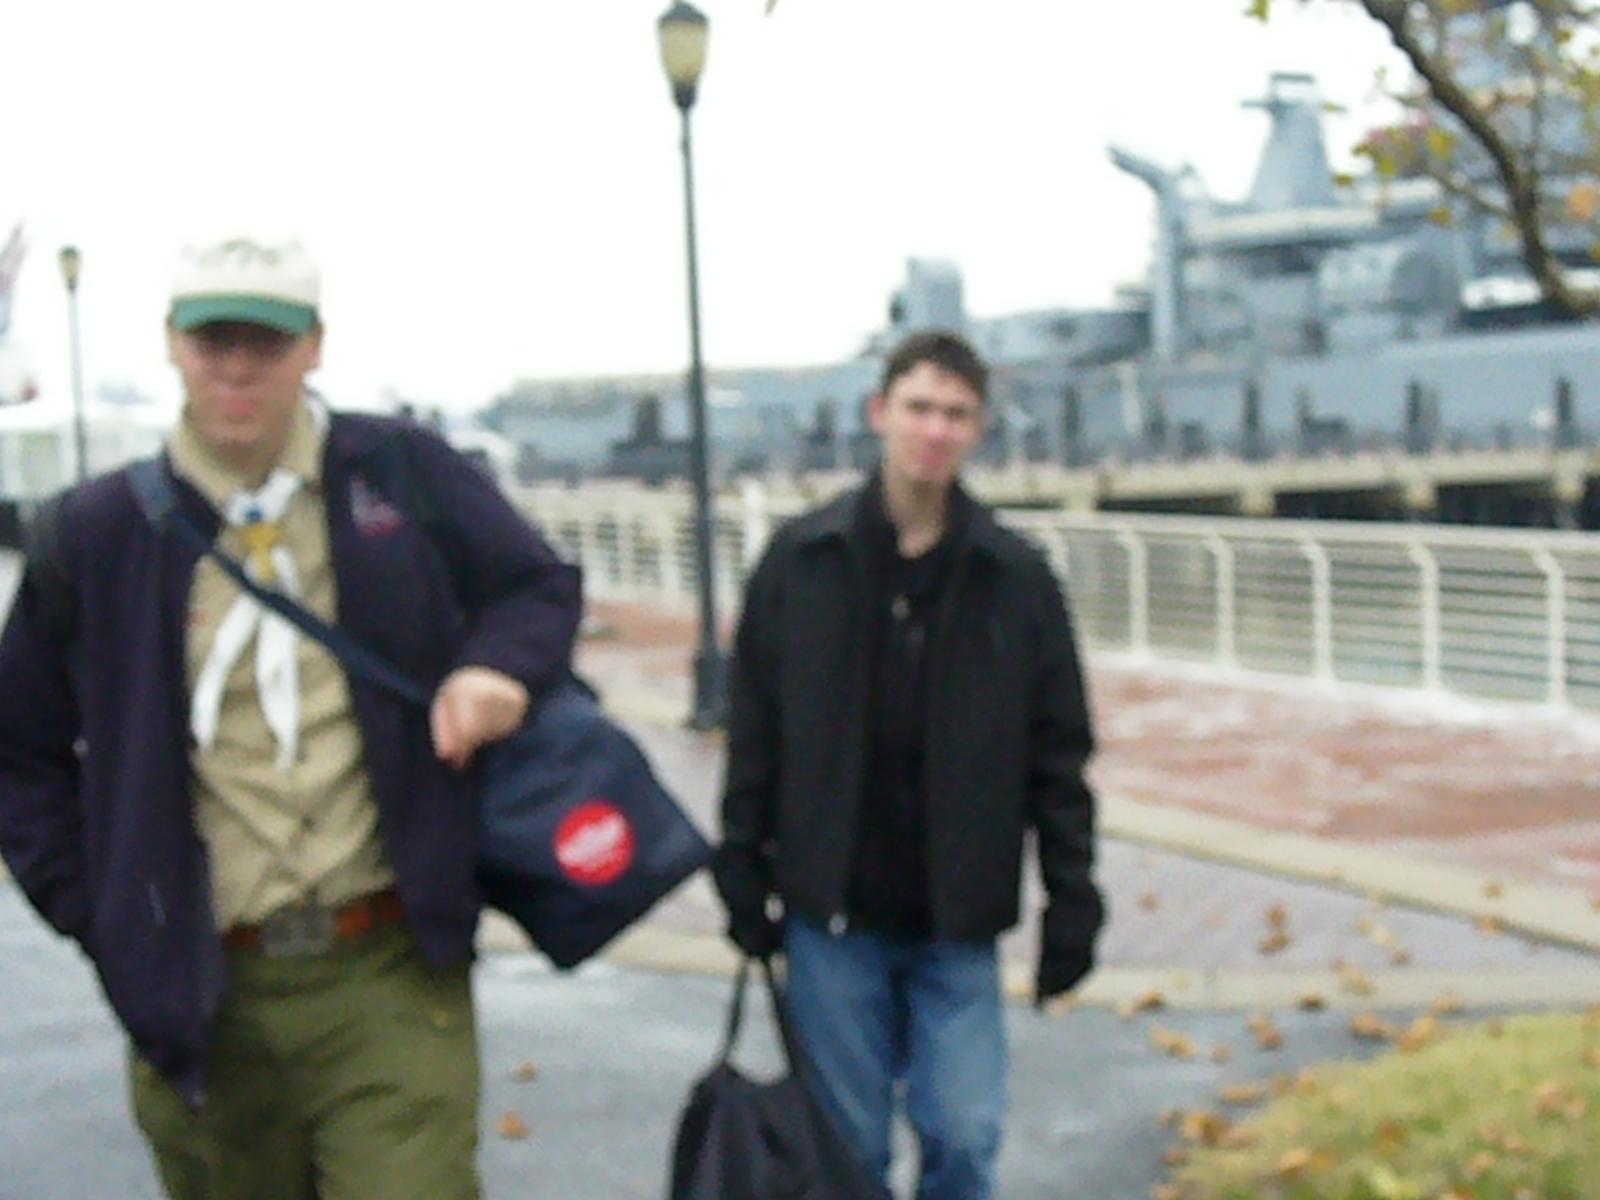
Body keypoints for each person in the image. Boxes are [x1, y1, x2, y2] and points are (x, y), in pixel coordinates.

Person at [0, 235, 581, 1200]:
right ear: (172, 343)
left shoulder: (400, 475)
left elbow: (538, 587)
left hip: (388, 967)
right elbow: (19, 747)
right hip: (199, 988)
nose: (236, 368)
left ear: (314, 345)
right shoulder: (97, 531)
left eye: (265, 343)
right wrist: (100, 909)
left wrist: (495, 669)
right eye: (212, 340)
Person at [714, 329, 1104, 1200]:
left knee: (964, 1135)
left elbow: (1058, 754)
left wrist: (1072, 897)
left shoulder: (1015, 579)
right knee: (848, 1152)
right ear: (879, 413)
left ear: (978, 429)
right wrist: (741, 863)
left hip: (956, 915)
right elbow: (756, 731)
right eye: (919, 408)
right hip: (833, 915)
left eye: (956, 414)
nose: (935, 430)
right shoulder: (801, 564)